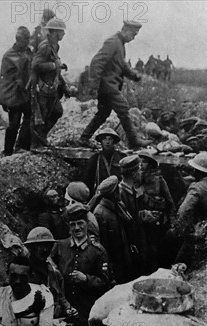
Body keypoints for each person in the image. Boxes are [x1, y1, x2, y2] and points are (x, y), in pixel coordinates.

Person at [50, 203, 111, 326]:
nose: (77, 228)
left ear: (87, 224)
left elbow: (106, 282)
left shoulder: (97, 251)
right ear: (69, 226)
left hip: (87, 313)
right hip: (64, 312)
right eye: (73, 224)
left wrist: (87, 279)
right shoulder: (60, 247)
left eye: (81, 224)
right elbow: (49, 268)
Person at [78, 21, 152, 149]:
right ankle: (134, 141)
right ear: (126, 30)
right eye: (133, 35)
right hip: (107, 86)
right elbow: (97, 63)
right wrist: (93, 87)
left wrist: (134, 75)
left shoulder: (120, 44)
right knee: (123, 109)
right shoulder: (112, 42)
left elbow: (122, 66)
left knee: (103, 113)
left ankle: (84, 138)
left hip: (109, 86)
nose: (133, 38)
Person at [31, 18, 71, 148]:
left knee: (57, 112)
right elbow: (36, 65)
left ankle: (41, 138)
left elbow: (56, 69)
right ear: (55, 32)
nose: (64, 34)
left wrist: (63, 86)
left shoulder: (55, 46)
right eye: (62, 32)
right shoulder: (45, 46)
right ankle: (36, 144)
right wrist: (54, 65)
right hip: (42, 88)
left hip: (52, 87)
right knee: (40, 117)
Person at [93, 175, 138, 284]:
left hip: (124, 257)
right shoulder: (100, 213)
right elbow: (102, 244)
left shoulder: (118, 206)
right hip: (114, 263)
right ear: (113, 193)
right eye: (117, 190)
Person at [0, 26, 33, 155]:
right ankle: (8, 151)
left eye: (28, 39)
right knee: (14, 123)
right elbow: (4, 79)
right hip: (14, 95)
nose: (27, 42)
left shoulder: (28, 52)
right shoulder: (8, 56)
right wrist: (4, 99)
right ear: (18, 40)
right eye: (25, 39)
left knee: (30, 117)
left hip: (26, 93)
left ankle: (21, 145)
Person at [23, 226, 75, 317]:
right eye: (40, 245)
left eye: (48, 245)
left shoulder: (53, 272)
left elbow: (60, 297)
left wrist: (68, 309)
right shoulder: (22, 271)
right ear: (31, 247)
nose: (45, 249)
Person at [138, 151, 175, 272]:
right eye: (139, 161)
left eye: (144, 162)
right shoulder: (135, 181)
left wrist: (172, 224)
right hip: (140, 223)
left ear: (150, 165)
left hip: (156, 224)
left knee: (156, 251)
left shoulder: (159, 181)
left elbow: (170, 204)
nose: (141, 165)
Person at [118, 155, 147, 276]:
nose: (141, 172)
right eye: (139, 169)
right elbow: (126, 223)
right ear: (134, 173)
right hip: (128, 246)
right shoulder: (122, 194)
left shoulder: (130, 191)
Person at [83, 128, 127, 194]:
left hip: (118, 194)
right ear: (101, 141)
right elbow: (88, 181)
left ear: (114, 141)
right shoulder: (95, 159)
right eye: (104, 139)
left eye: (110, 139)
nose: (107, 142)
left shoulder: (121, 157)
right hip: (100, 194)